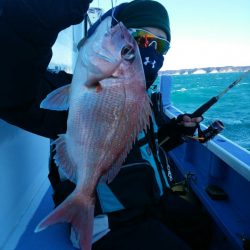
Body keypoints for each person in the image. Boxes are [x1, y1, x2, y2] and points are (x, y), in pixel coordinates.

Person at [0, 0, 211, 249]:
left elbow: (143, 145)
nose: (152, 50)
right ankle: (79, 210)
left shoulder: (142, 99)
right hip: (112, 223)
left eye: (160, 46)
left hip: (152, 201)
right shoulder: (72, 90)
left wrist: (176, 132)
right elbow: (14, 95)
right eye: (142, 39)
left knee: (203, 227)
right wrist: (39, 15)